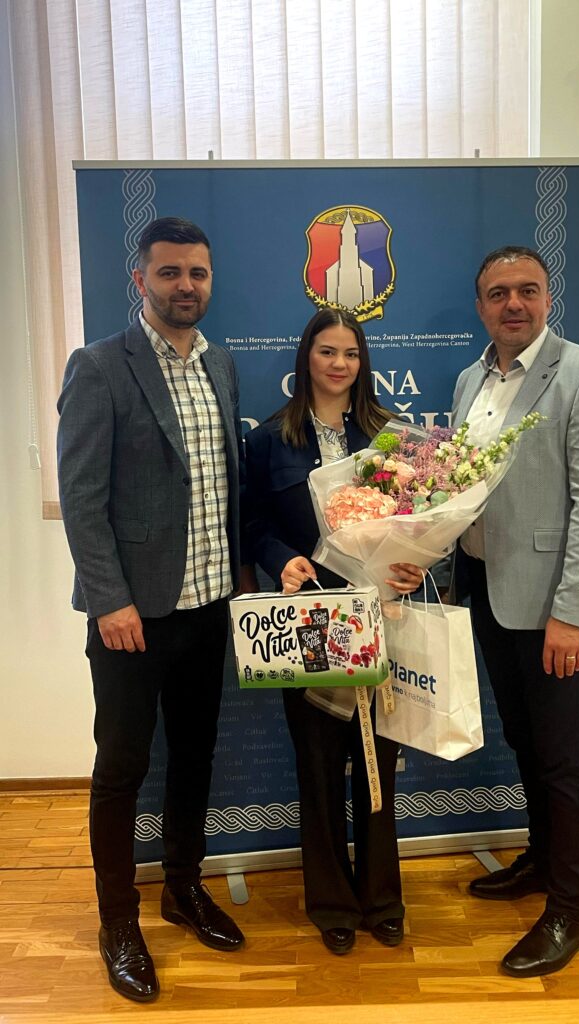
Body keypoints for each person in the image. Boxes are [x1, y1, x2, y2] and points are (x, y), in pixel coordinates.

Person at [57, 217, 253, 1002]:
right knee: (122, 768)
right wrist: (110, 601)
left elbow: (223, 484)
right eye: (169, 272)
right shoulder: (100, 367)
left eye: (196, 273)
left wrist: (241, 576)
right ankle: (117, 920)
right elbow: (81, 499)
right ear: (140, 279)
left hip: (208, 607)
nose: (185, 286)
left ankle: (182, 886)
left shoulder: (221, 364)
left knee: (195, 756)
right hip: (131, 620)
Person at [452, 246, 579, 977]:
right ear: (481, 306)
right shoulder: (470, 379)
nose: (513, 304)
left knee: (566, 760)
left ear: (548, 299)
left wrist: (572, 614)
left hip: (556, 605)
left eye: (527, 290)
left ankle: (573, 909)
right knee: (527, 743)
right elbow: (462, 489)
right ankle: (543, 857)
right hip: (490, 593)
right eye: (498, 293)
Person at [244, 308, 423, 956]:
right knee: (318, 765)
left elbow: (418, 520)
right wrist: (279, 560)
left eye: (350, 353)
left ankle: (382, 899)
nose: (339, 363)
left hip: (380, 615)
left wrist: (414, 563)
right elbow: (253, 525)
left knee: (378, 764)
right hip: (311, 620)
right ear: (307, 358)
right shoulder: (271, 439)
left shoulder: (388, 437)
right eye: (327, 351)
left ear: (362, 361)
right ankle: (330, 902)